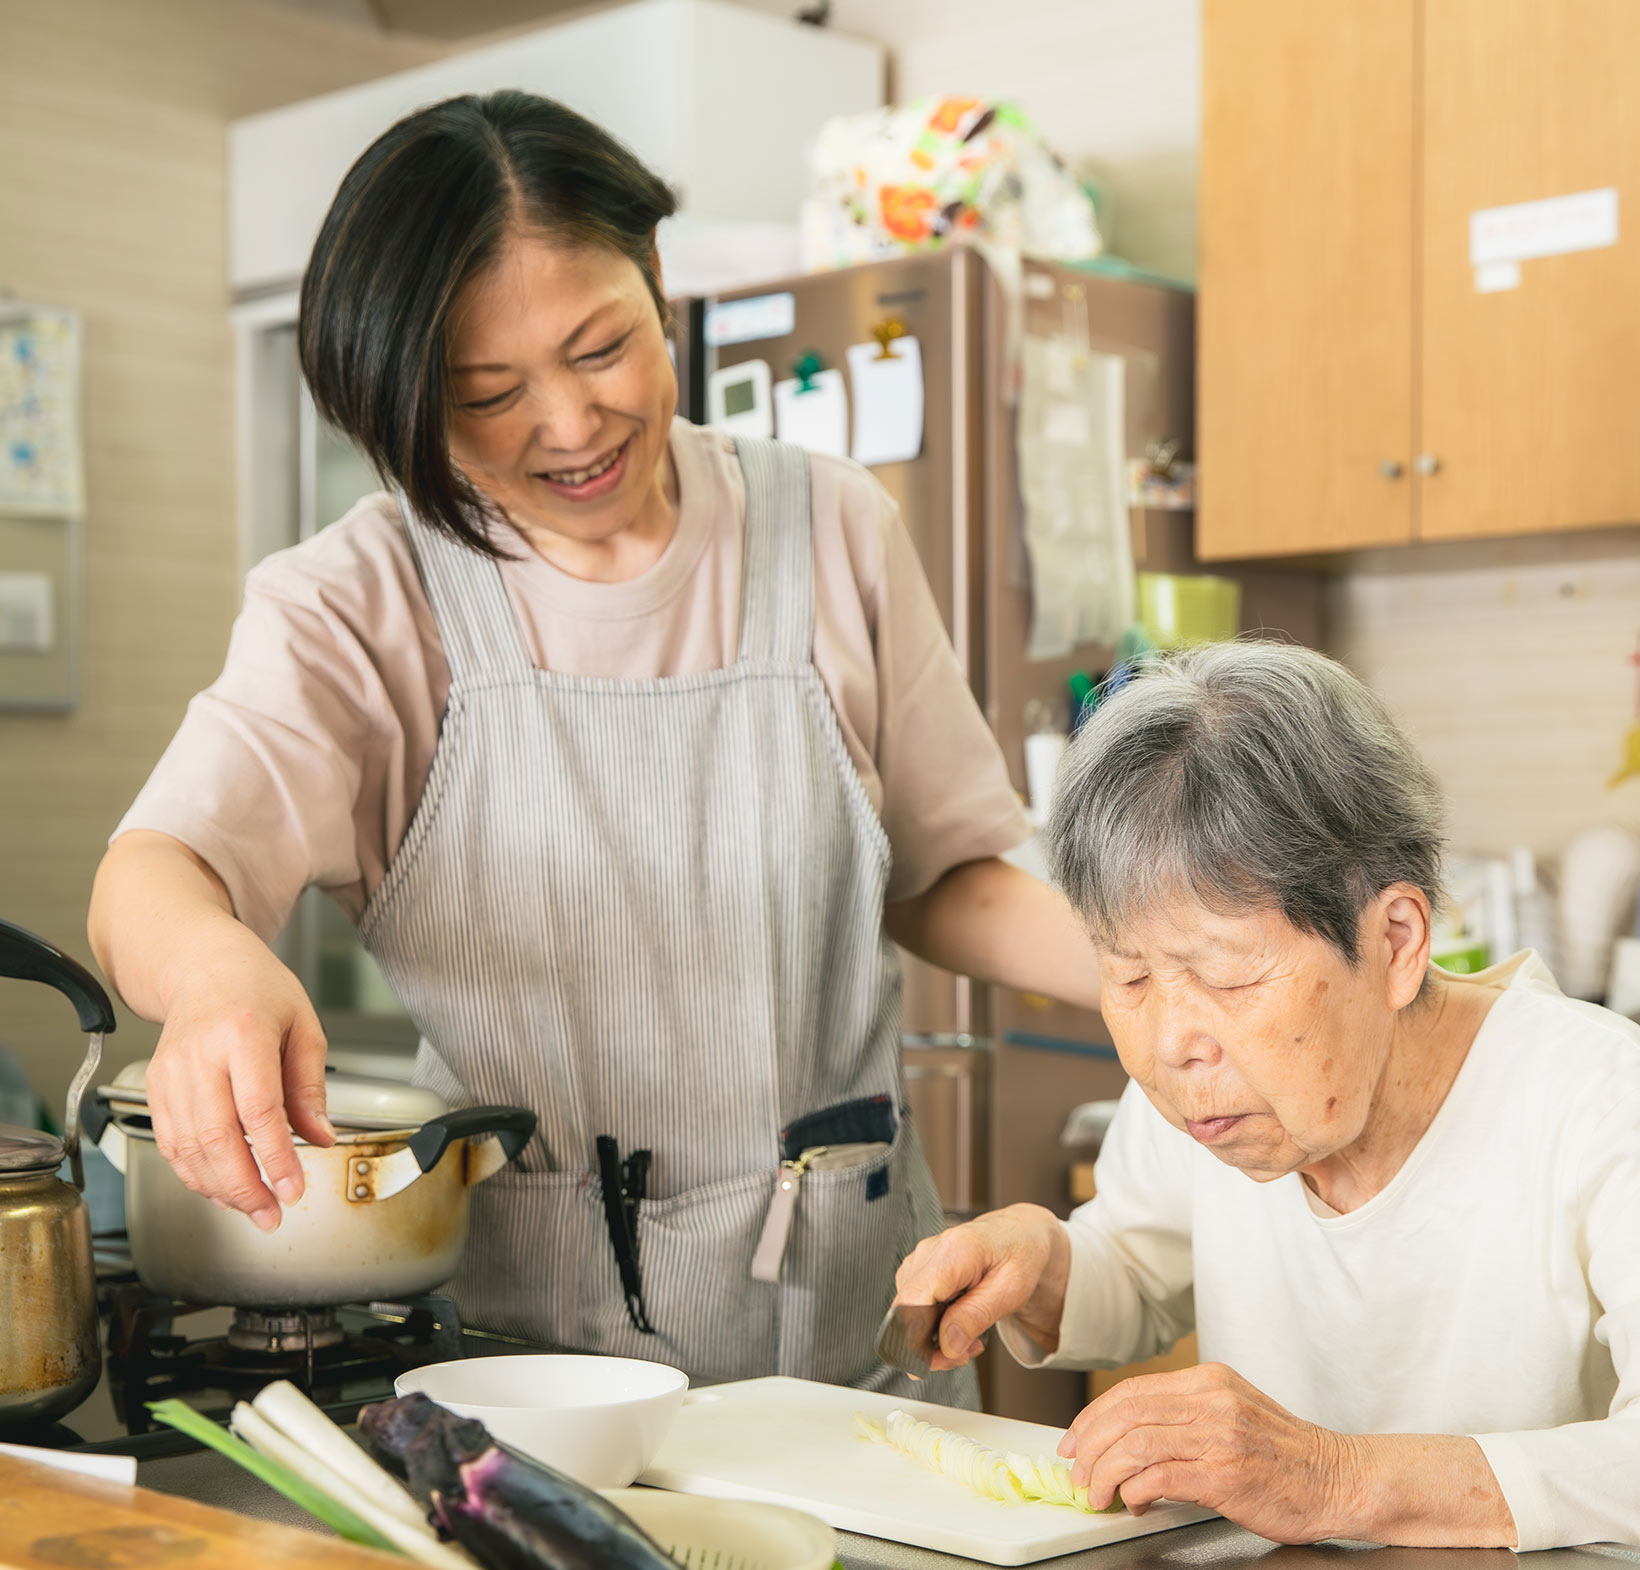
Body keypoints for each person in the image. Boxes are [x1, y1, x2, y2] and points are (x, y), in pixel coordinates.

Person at [87, 91, 1100, 1401]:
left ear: (657, 281)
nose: (568, 425)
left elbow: (940, 873)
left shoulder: (829, 528)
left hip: (860, 1377)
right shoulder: (359, 602)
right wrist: (216, 970)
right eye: (489, 394)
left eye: (601, 347)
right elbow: (152, 873)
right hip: (527, 1398)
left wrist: (1154, 977)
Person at [893, 641, 1640, 1547]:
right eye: (1129, 978)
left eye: (1229, 977)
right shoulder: (1211, 1082)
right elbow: (1134, 1266)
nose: (1171, 1044)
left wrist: (1336, 1478)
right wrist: (1042, 1261)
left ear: (1397, 941)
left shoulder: (1600, 1101)